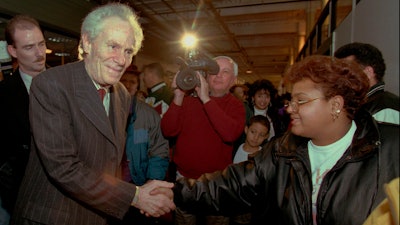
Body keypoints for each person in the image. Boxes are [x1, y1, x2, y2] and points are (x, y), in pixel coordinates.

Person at [172, 55, 399, 225]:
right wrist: (173, 191)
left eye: (301, 100)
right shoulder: (284, 149)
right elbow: (233, 184)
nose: (290, 108)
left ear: (335, 105)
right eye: (291, 100)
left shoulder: (391, 149)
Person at [10, 3, 175, 225]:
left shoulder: (121, 93)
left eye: (128, 51)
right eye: (113, 46)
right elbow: (63, 167)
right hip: (52, 217)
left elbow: (109, 161)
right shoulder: (51, 84)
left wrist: (145, 192)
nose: (122, 60)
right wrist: (135, 196)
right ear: (87, 42)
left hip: (97, 214)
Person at [161, 55, 245, 225]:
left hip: (217, 185)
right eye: (214, 71)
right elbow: (168, 130)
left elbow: (230, 134)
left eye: (225, 72)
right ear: (206, 75)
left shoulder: (236, 106)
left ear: (233, 80)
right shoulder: (188, 100)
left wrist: (206, 99)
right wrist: (178, 96)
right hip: (184, 180)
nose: (218, 75)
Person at [0, 14, 46, 222]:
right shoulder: (3, 95)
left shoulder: (69, 86)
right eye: (29, 47)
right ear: (13, 51)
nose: (39, 53)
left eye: (41, 44)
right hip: (22, 199)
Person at [118, 65, 170, 225]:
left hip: (138, 185)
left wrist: (152, 182)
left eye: (132, 82)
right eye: (124, 81)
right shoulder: (103, 110)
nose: (127, 85)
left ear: (137, 85)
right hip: (109, 186)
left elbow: (159, 151)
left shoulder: (149, 115)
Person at [334, 42, 399, 125]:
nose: (339, 78)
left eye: (346, 71)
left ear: (368, 72)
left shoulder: (385, 109)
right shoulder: (359, 105)